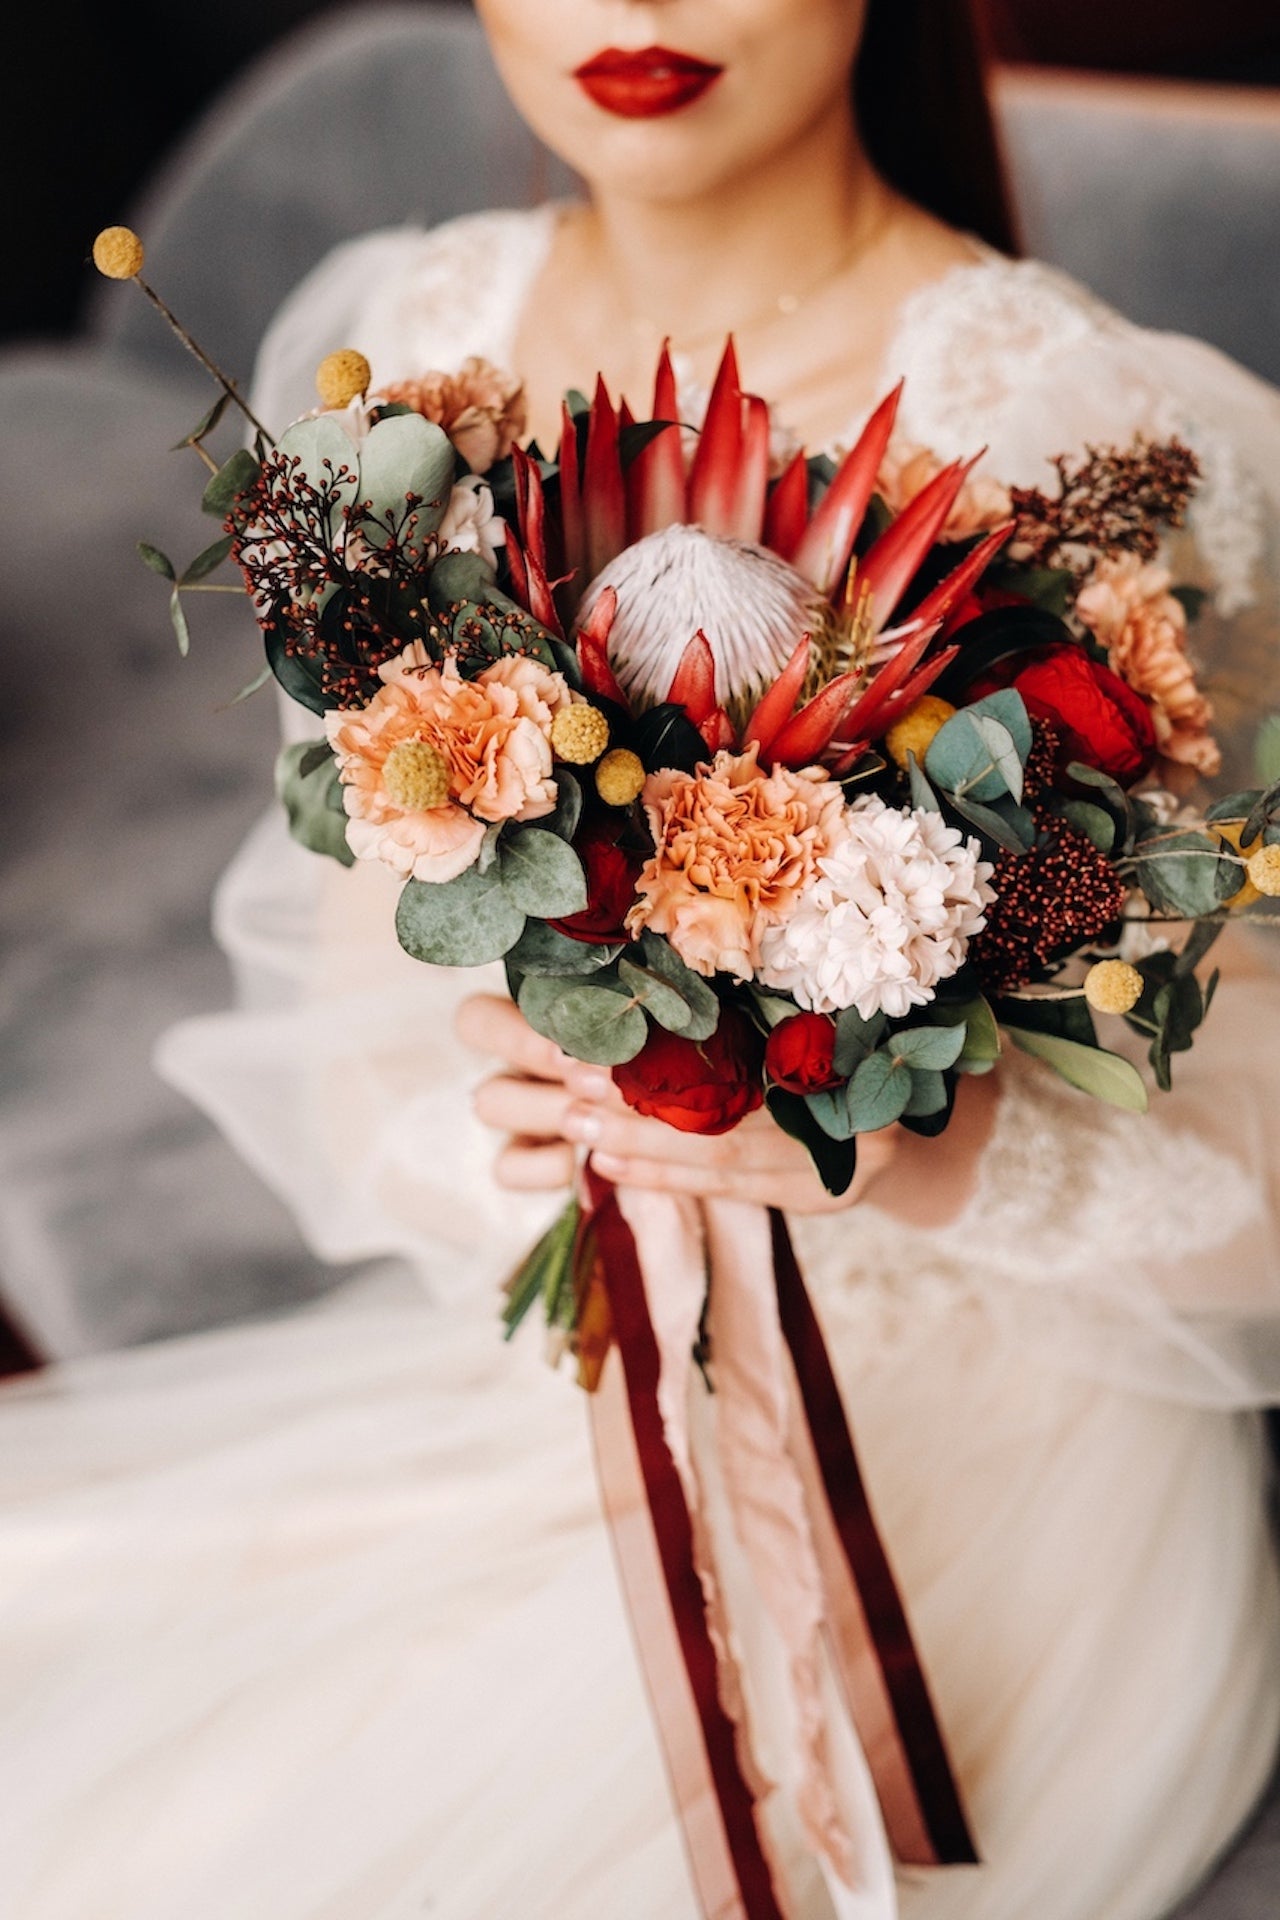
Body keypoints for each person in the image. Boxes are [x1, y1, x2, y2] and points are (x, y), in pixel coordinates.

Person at [3, 3, 1280, 1916]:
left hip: (987, 1446)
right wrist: (501, 1119)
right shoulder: (414, 349)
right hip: (569, 1363)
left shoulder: (1087, 427)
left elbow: (1254, 1118)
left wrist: (944, 1151)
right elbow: (350, 977)